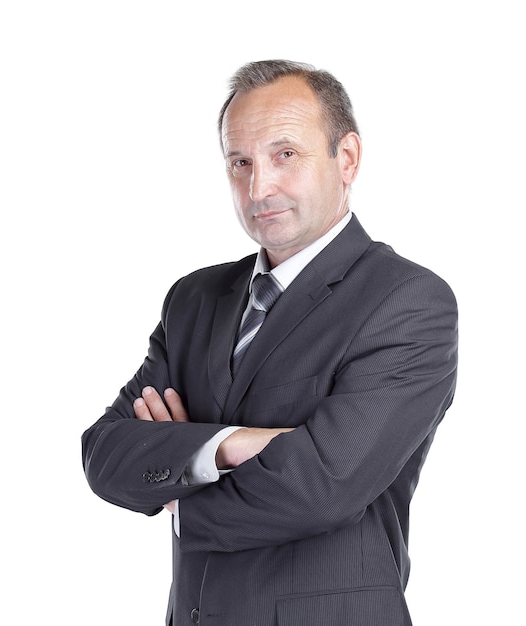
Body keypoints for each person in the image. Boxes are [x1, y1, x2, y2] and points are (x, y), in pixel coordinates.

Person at [82, 60, 458, 626]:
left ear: (347, 158)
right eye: (241, 162)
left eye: (286, 155)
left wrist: (180, 470)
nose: (259, 187)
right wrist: (230, 446)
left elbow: (321, 485)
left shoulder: (405, 300)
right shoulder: (194, 299)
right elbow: (104, 451)